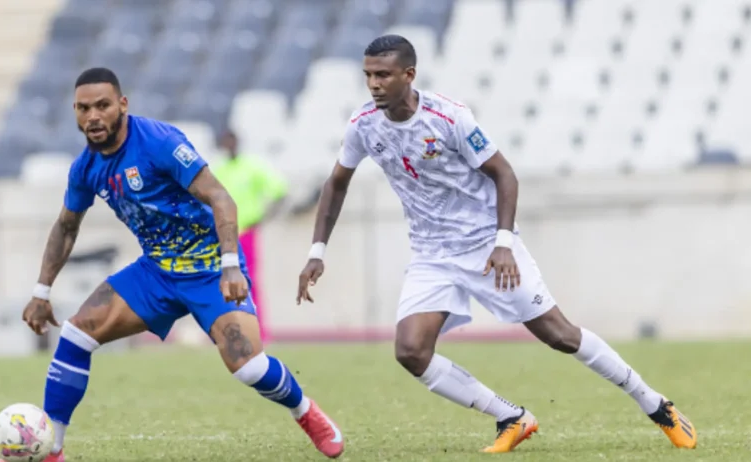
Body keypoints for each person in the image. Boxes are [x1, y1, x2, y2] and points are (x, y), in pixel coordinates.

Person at [296, 35, 697, 453]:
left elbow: (504, 173)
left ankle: (655, 404)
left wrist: (503, 243)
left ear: (409, 74)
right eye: (368, 75)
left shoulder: (449, 117)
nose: (374, 84)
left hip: (486, 245)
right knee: (411, 351)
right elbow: (336, 183)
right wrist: (316, 252)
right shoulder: (363, 124)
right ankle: (511, 417)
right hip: (432, 254)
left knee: (559, 335)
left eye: (383, 75)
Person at [4, 68, 345, 462]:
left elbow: (221, 198)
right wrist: (41, 291)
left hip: (210, 269)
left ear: (122, 105)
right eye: (83, 108)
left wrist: (230, 265)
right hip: (156, 272)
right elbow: (66, 226)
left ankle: (305, 412)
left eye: (102, 105)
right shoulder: (85, 167)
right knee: (76, 336)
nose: (93, 116)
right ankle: (51, 450)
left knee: (248, 367)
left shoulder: (160, 142)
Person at [212, 129, 288, 343]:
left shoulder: (252, 167)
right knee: (222, 282)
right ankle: (229, 331)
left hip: (246, 233)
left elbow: (280, 191)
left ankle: (258, 331)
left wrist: (263, 217)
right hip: (223, 236)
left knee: (249, 281)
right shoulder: (218, 170)